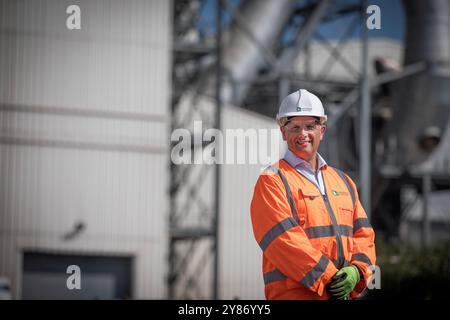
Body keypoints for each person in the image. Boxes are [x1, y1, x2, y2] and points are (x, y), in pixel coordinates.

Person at [250, 89, 376, 300]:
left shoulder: (344, 182)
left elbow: (364, 235)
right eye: (295, 127)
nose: (303, 134)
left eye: (310, 126)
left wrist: (359, 271)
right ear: (283, 132)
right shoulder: (272, 181)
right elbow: (284, 242)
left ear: (322, 130)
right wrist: (330, 280)